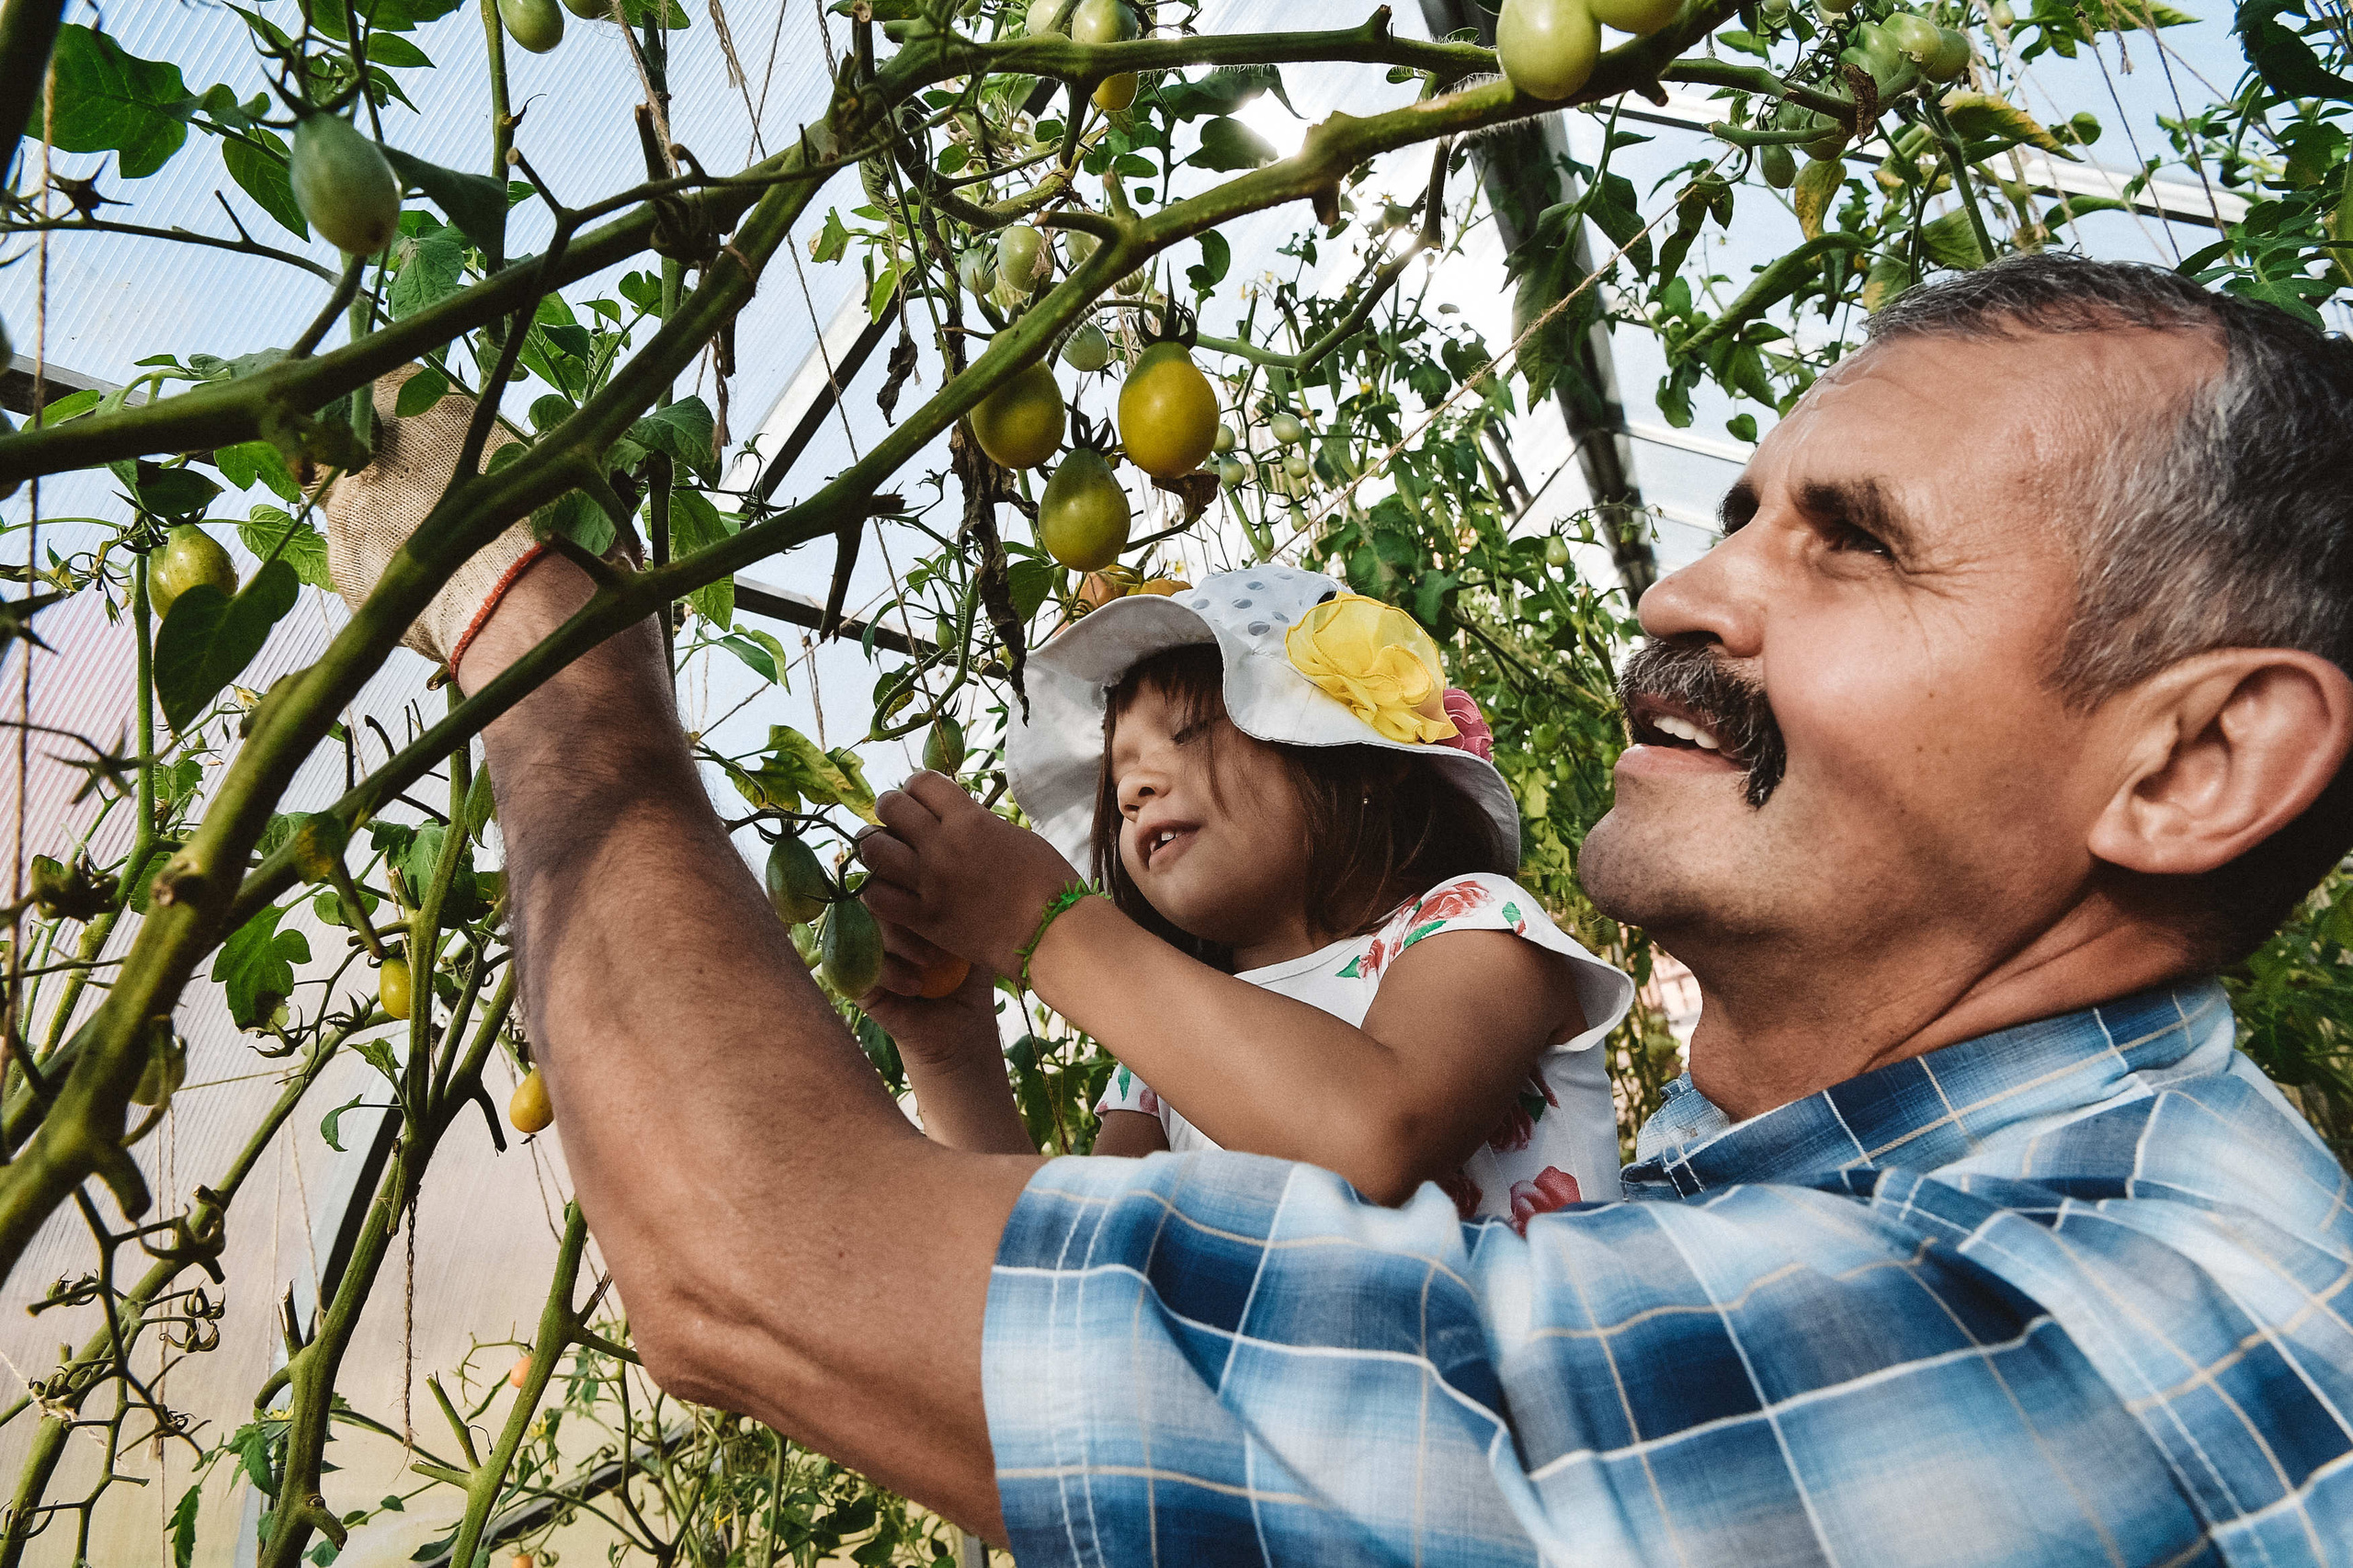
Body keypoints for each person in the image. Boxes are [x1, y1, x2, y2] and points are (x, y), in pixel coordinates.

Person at [324, 253, 2353, 1562]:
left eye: (1848, 543)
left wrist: (555, 668)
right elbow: (1017, 1230)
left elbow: (767, 1259)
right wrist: (948, 1039)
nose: (1680, 594)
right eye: (1734, 508)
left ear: (2189, 767)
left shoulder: (2108, 1335)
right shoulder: (1808, 1210)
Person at [852, 571, 1634, 1222]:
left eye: (1190, 731)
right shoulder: (1156, 1073)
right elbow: (1072, 1267)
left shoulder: (1472, 924)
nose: (1133, 789)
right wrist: (953, 1054)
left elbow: (1373, 1140)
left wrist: (1044, 928)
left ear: (1360, 760)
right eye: (1118, 778)